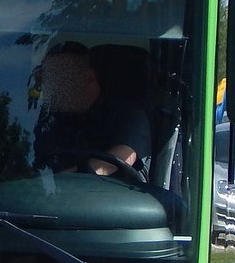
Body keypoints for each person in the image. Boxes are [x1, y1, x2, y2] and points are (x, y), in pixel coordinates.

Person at [33, 41, 150, 179]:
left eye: (58, 78)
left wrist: (56, 183)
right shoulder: (50, 119)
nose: (50, 86)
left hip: (111, 198)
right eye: (48, 78)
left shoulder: (128, 115)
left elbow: (120, 159)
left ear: (88, 77)